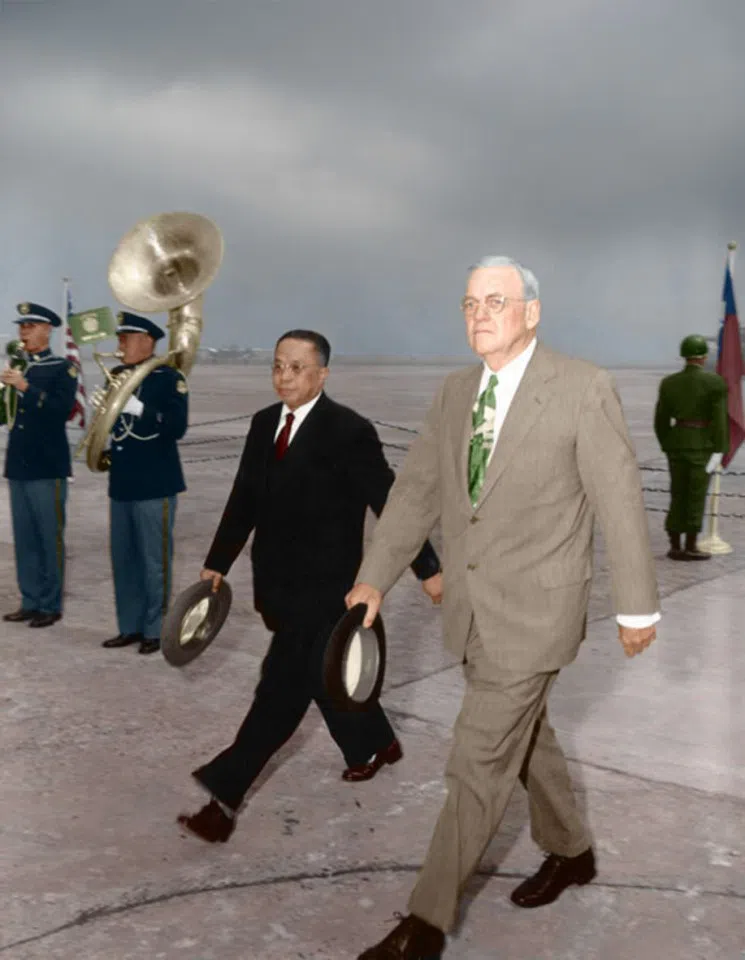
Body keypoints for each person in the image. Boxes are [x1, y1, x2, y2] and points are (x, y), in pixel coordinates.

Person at [346, 256, 661, 960]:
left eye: (496, 300)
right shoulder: (454, 393)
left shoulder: (581, 388)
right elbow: (416, 491)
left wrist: (637, 607)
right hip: (470, 609)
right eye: (468, 303)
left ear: (532, 311)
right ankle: (571, 849)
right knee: (527, 736)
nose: (479, 314)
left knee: (476, 759)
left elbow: (616, 497)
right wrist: (374, 577)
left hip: (537, 614)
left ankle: (424, 925)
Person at [176, 329, 442, 844]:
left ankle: (223, 798)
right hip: (275, 584)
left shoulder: (349, 430)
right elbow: (244, 498)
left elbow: (391, 505)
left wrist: (428, 567)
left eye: (297, 368)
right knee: (325, 677)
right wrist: (218, 562)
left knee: (278, 691)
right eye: (278, 366)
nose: (285, 377)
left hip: (327, 592)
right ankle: (376, 743)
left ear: (322, 374)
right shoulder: (261, 425)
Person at [100, 312, 188, 655]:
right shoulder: (117, 376)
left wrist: (141, 410)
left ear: (147, 341)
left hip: (155, 483)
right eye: (120, 338)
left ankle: (154, 628)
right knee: (124, 559)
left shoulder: (168, 379)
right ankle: (130, 626)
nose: (120, 344)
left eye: (126, 338)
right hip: (122, 481)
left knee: (154, 560)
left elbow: (176, 427)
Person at [2, 302, 78, 628]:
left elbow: (62, 410)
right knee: (25, 538)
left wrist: (25, 387)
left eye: (31, 326)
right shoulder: (16, 366)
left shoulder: (62, 368)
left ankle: (50, 604)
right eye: (22, 326)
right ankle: (30, 600)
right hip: (19, 465)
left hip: (48, 467)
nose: (24, 331)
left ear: (47, 329)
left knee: (49, 537)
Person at [654, 334, 729, 561]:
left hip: (677, 445)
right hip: (701, 447)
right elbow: (719, 420)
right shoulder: (715, 383)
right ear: (704, 357)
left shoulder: (669, 383)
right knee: (696, 496)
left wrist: (668, 444)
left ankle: (674, 545)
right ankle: (691, 546)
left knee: (677, 494)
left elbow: (660, 421)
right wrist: (719, 449)